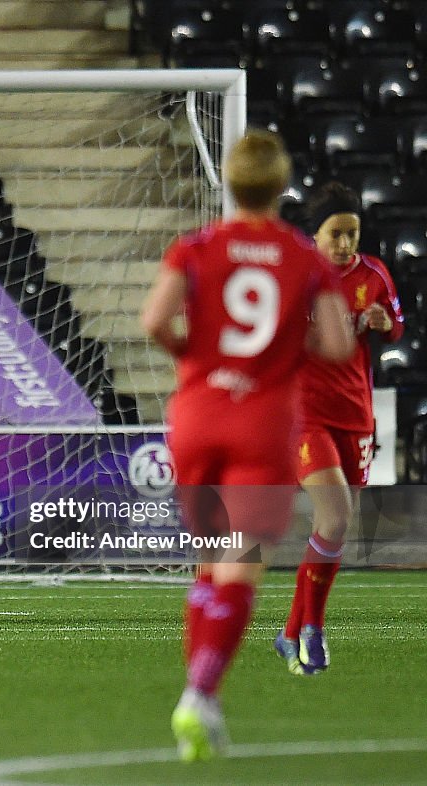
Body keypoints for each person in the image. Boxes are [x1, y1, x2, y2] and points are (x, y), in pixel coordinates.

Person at [140, 130, 354, 761]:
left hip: (199, 414)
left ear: (229, 182)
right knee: (241, 562)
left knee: (210, 562)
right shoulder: (303, 257)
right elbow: (339, 346)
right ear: (280, 186)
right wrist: (285, 350)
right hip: (263, 420)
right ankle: (199, 696)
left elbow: (155, 321)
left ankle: (202, 707)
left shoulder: (196, 246)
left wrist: (198, 360)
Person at [275, 182, 404, 675]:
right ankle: (313, 629)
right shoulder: (298, 276)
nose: (345, 243)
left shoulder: (374, 273)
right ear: (316, 235)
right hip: (306, 415)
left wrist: (382, 322)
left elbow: (397, 324)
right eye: (336, 233)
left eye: (352, 232)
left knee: (332, 528)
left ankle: (289, 633)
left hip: (356, 415)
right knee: (333, 518)